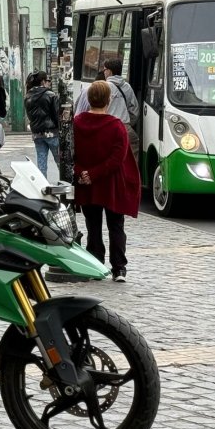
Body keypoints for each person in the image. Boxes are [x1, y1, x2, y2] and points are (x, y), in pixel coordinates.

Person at [73, 81, 140, 283]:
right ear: (108, 100)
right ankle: (119, 268)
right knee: (116, 225)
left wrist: (83, 174)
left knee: (93, 225)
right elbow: (117, 158)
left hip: (87, 184)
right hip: (111, 183)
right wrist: (94, 173)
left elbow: (68, 154)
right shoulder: (116, 126)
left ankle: (95, 262)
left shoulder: (76, 123)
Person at [77, 59, 140, 163]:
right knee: (130, 159)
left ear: (109, 71)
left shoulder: (103, 87)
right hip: (125, 127)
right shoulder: (127, 87)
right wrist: (126, 124)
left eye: (104, 70)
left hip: (105, 128)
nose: (104, 72)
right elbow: (134, 110)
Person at [24, 71, 60, 178]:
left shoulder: (27, 96)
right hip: (52, 133)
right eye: (47, 80)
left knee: (41, 162)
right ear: (43, 81)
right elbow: (56, 114)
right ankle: (65, 183)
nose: (49, 83)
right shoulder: (50, 95)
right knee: (60, 161)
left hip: (37, 134)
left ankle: (42, 186)